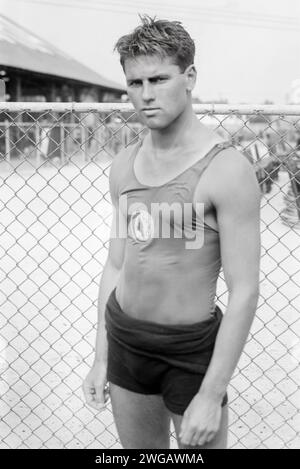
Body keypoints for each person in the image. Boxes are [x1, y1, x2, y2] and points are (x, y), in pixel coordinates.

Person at [83, 15, 261, 449]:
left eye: (159, 79)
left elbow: (244, 291)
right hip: (127, 342)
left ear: (189, 77)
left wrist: (212, 393)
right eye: (134, 83)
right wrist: (101, 356)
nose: (145, 95)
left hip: (189, 353)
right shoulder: (124, 165)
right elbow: (116, 263)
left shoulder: (226, 169)